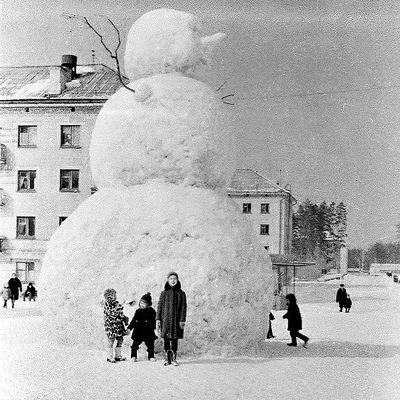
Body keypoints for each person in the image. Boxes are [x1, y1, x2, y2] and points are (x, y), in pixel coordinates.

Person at [156, 272, 187, 366]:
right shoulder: (164, 293)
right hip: (165, 320)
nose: (173, 280)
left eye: (174, 279)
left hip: (176, 320)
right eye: (171, 279)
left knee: (174, 338)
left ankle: (173, 358)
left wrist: (182, 320)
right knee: (166, 338)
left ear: (177, 280)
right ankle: (166, 358)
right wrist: (158, 319)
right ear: (168, 280)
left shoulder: (181, 293)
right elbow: (159, 307)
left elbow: (183, 307)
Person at [127, 292, 157, 362]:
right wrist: (129, 328)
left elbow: (154, 321)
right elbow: (133, 321)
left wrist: (155, 329)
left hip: (148, 331)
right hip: (138, 331)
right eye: (141, 303)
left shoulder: (152, 311)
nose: (142, 305)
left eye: (144, 303)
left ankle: (151, 356)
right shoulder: (138, 311)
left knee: (150, 345)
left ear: (148, 304)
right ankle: (133, 356)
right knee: (135, 345)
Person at [103, 288, 129, 363]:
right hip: (111, 326)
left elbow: (120, 313)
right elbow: (113, 313)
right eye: (110, 296)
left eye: (114, 295)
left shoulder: (116, 304)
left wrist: (124, 317)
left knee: (120, 339)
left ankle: (118, 355)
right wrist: (120, 312)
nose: (113, 298)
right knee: (111, 341)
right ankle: (110, 356)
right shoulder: (107, 305)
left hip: (118, 326)